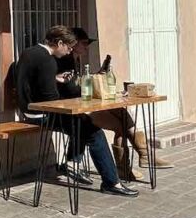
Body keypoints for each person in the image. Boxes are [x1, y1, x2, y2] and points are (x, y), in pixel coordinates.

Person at [16, 25, 137, 197]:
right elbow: (51, 101)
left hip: (29, 111)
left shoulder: (30, 52)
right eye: (68, 47)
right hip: (40, 115)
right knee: (93, 132)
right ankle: (111, 182)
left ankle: (75, 163)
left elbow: (33, 83)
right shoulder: (47, 60)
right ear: (59, 43)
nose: (68, 52)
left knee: (83, 123)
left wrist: (55, 78)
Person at [57, 28, 173, 179]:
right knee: (121, 125)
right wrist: (93, 83)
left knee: (123, 113)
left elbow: (80, 86)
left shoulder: (75, 60)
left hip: (85, 103)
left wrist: (97, 78)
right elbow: (72, 89)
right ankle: (134, 163)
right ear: (73, 43)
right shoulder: (66, 61)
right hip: (74, 108)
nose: (86, 47)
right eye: (84, 43)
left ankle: (143, 157)